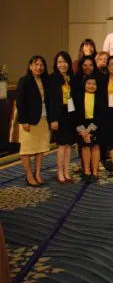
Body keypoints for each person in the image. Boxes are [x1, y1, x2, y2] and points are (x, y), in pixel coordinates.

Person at [16, 56, 50, 187]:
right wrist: (24, 121)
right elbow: (20, 102)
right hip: (29, 121)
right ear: (30, 66)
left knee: (40, 148)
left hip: (43, 119)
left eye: (41, 65)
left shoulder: (45, 81)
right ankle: (29, 175)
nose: (39, 67)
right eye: (36, 64)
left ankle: (37, 174)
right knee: (27, 149)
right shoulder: (24, 81)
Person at [48, 51, 76, 184]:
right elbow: (50, 101)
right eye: (59, 62)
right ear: (56, 64)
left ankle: (66, 171)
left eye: (64, 62)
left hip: (70, 114)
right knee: (61, 145)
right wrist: (53, 119)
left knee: (69, 145)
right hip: (59, 115)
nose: (62, 65)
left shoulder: (72, 77)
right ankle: (59, 172)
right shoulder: (52, 79)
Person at [72, 75, 101, 183]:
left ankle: (95, 172)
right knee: (85, 147)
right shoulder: (78, 96)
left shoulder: (100, 97)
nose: (91, 86)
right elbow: (74, 115)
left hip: (95, 125)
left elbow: (101, 115)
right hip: (81, 125)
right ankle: (87, 172)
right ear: (84, 84)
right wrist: (83, 131)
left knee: (95, 147)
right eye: (89, 83)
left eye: (94, 84)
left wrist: (89, 130)